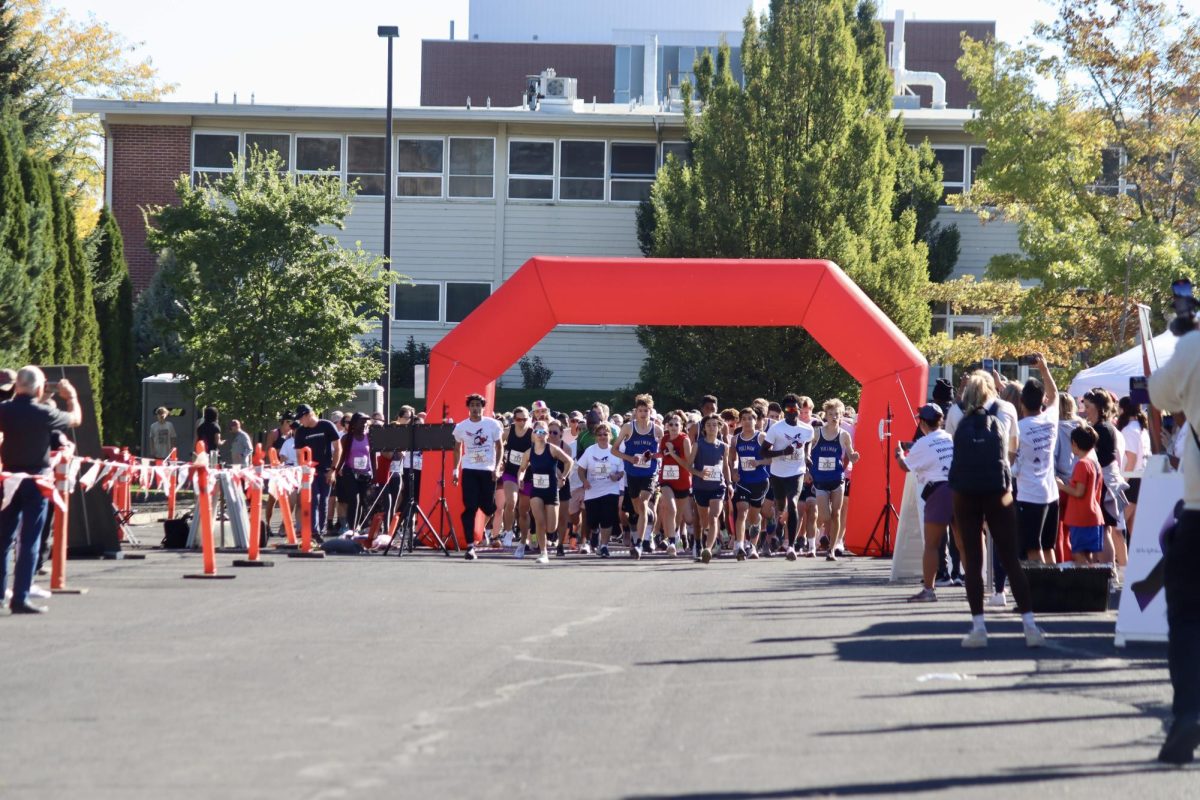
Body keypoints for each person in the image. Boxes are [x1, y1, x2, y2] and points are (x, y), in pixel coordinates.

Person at [948, 371, 1046, 649]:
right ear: (993, 389)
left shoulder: (957, 414)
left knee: (973, 559)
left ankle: (978, 626)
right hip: (998, 490)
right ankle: (1029, 625)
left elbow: (953, 446)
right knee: (1010, 558)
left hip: (965, 491)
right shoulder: (1007, 408)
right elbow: (1013, 450)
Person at [1148, 321, 1200, 765]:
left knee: (1186, 616)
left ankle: (1189, 712)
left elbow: (1160, 394)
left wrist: (1188, 339)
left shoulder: (1195, 345)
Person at [0, 367, 82, 614]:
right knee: (30, 539)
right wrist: (72, 398)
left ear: (17, 387)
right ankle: (21, 596)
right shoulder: (45, 413)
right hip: (37, 480)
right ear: (39, 388)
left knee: (3, 540)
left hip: (8, 479)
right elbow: (75, 419)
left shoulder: (4, 410)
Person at [895, 404, 955, 602]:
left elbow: (905, 467)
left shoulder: (922, 443)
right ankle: (976, 586)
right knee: (964, 544)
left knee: (931, 544)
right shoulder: (948, 437)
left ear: (921, 422)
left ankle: (929, 590)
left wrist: (899, 454)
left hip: (937, 491)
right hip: (958, 489)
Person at [1012, 355, 1060, 563]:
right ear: (1043, 401)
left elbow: (1011, 461)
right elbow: (1055, 394)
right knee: (1049, 548)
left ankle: (1040, 592)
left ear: (1021, 402)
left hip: (1030, 496)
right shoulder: (1050, 419)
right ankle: (1056, 590)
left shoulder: (1018, 430)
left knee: (1033, 548)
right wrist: (1044, 369)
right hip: (1051, 493)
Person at [760, 393, 814, 561]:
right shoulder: (776, 428)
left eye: (794, 408)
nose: (791, 412)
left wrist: (807, 456)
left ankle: (791, 546)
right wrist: (783, 452)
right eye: (788, 409)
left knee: (793, 503)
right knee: (781, 509)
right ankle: (778, 527)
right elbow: (764, 451)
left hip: (797, 471)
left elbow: (807, 443)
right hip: (778, 473)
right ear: (785, 411)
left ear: (799, 409)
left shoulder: (807, 429)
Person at [452, 394, 504, 561]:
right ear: (468, 407)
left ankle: (484, 530)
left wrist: (496, 468)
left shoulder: (492, 424)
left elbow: (499, 446)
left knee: (488, 507)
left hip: (487, 470)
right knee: (470, 507)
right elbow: (457, 448)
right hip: (469, 469)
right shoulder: (461, 426)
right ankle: (470, 546)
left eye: (478, 405)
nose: (475, 408)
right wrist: (455, 470)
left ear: (483, 407)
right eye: (472, 405)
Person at [611, 394, 662, 559]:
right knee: (638, 508)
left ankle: (640, 542)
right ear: (636, 412)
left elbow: (663, 453)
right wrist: (629, 458)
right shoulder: (628, 428)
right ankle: (648, 532)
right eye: (640, 410)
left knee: (644, 502)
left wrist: (653, 456)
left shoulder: (657, 429)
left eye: (646, 410)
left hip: (649, 473)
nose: (643, 413)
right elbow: (614, 450)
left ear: (650, 411)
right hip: (632, 473)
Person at [517, 422, 574, 564]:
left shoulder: (552, 449)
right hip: (536, 490)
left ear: (547, 435)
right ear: (533, 434)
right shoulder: (528, 453)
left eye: (543, 432)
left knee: (551, 527)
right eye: (537, 432)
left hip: (551, 491)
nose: (540, 435)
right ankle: (543, 553)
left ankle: (548, 539)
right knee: (539, 522)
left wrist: (564, 477)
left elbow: (569, 462)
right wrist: (520, 479)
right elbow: (522, 469)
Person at [810, 399, 859, 561]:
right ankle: (821, 535)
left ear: (841, 416)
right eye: (830, 414)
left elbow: (850, 454)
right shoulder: (817, 433)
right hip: (820, 479)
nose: (833, 417)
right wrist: (807, 463)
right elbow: (807, 449)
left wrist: (854, 457)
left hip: (837, 479)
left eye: (836, 414)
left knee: (836, 513)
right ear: (826, 416)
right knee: (825, 515)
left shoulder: (844, 435)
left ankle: (831, 549)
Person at [293, 403, 341, 542]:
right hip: (310, 471)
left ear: (309, 415)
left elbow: (338, 448)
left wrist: (333, 470)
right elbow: (299, 453)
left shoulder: (326, 425)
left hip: (326, 469)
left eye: (301, 418)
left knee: (324, 501)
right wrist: (304, 471)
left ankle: (321, 530)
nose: (300, 422)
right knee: (313, 500)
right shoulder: (301, 432)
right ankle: (314, 531)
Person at [1057, 424, 1104, 565]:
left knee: (1077, 554)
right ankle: (1092, 584)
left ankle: (1088, 582)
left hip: (1081, 517)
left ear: (1074, 444)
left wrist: (1061, 486)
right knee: (1088, 555)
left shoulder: (1082, 464)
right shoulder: (1094, 463)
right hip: (1093, 516)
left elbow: (1078, 492)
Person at [576, 423, 625, 558]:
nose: (603, 437)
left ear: (610, 436)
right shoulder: (590, 451)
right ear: (596, 437)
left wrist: (617, 476)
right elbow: (581, 469)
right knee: (592, 520)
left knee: (607, 518)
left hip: (611, 490)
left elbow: (621, 471)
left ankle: (604, 546)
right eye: (600, 435)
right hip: (592, 491)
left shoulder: (615, 451)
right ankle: (595, 533)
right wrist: (584, 481)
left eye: (605, 434)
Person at [688, 414, 730, 563]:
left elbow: (725, 466)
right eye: (708, 425)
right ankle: (711, 539)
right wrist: (698, 473)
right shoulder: (698, 444)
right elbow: (688, 465)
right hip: (700, 487)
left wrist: (729, 483)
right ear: (704, 429)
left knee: (713, 517)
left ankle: (708, 548)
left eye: (714, 425)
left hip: (718, 486)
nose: (712, 427)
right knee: (704, 520)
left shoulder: (724, 446)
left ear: (719, 428)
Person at [729, 407, 768, 560]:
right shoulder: (735, 439)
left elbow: (770, 459)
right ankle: (739, 545)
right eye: (743, 419)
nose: (746, 422)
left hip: (759, 481)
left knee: (754, 517)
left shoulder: (762, 437)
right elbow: (731, 459)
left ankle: (752, 546)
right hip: (743, 481)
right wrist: (733, 471)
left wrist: (758, 462)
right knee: (742, 510)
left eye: (750, 419)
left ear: (755, 421)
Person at [656, 413, 694, 558]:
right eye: (670, 424)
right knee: (670, 507)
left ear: (682, 426)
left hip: (683, 480)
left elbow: (688, 464)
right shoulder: (664, 438)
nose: (673, 427)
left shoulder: (684, 440)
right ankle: (671, 542)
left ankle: (676, 536)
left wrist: (672, 452)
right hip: (666, 479)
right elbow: (661, 455)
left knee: (678, 515)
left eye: (676, 424)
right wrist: (650, 456)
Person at [499, 407, 533, 552]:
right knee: (511, 501)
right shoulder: (508, 432)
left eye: (525, 419)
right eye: (519, 419)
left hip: (527, 474)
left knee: (524, 510)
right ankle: (508, 532)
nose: (522, 422)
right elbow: (497, 445)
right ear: (514, 420)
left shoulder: (532, 434)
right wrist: (499, 460)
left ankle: (525, 538)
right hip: (511, 473)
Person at [334, 412, 374, 532]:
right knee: (354, 500)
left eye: (366, 422)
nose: (364, 425)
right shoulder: (347, 438)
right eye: (362, 422)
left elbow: (372, 456)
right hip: (350, 472)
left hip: (365, 473)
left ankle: (358, 527)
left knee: (363, 500)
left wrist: (375, 474)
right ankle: (352, 528)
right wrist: (335, 471)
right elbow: (342, 456)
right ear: (354, 424)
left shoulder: (369, 437)